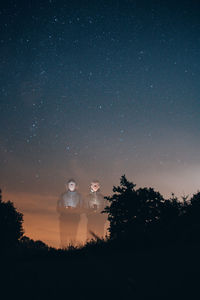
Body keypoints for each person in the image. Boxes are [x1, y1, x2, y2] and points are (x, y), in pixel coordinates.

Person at [57, 179, 82, 248]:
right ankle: (63, 249)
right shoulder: (63, 195)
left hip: (74, 218)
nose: (71, 185)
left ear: (76, 186)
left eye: (73, 184)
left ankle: (72, 249)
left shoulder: (79, 196)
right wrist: (65, 209)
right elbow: (59, 207)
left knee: (73, 235)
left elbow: (81, 207)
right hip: (64, 218)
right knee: (63, 236)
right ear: (67, 186)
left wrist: (75, 210)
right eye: (70, 184)